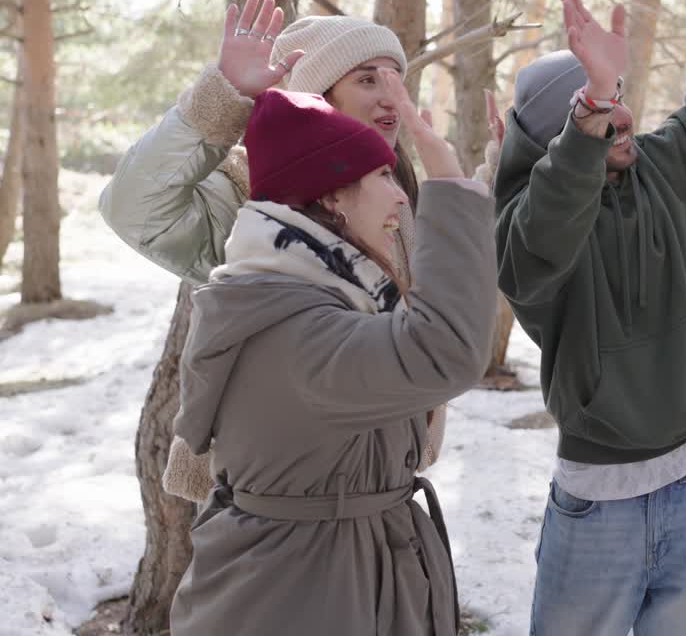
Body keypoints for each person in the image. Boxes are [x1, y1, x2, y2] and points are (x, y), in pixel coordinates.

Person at [492, 0, 686, 635]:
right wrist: (588, 110)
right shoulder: (527, 223)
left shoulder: (669, 164)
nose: (617, 118)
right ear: (547, 138)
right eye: (592, 108)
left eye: (617, 97)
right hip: (601, 504)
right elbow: (547, 231)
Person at [168, 79, 494, 635]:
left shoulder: (308, 299)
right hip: (305, 593)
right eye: (384, 175)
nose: (400, 196)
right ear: (329, 195)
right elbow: (447, 353)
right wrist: (448, 184)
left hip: (326, 577)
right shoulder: (300, 332)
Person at [98, 0, 450, 501]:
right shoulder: (249, 190)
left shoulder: (400, 191)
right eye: (367, 79)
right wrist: (220, 104)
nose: (391, 96)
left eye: (396, 78)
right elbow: (133, 209)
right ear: (316, 95)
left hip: (380, 481)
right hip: (273, 498)